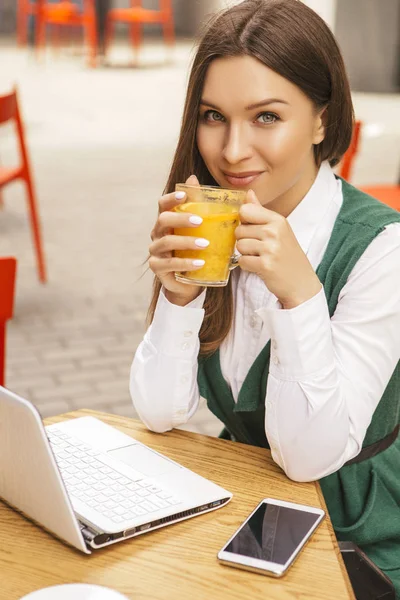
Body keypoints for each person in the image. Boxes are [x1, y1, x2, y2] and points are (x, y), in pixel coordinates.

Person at [130, 0, 400, 594]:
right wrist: (177, 300)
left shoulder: (382, 250)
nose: (231, 151)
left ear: (322, 122)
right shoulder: (211, 225)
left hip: (360, 542)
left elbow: (308, 458)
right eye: (212, 116)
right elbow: (159, 413)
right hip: (249, 518)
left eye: (266, 117)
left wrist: (300, 294)